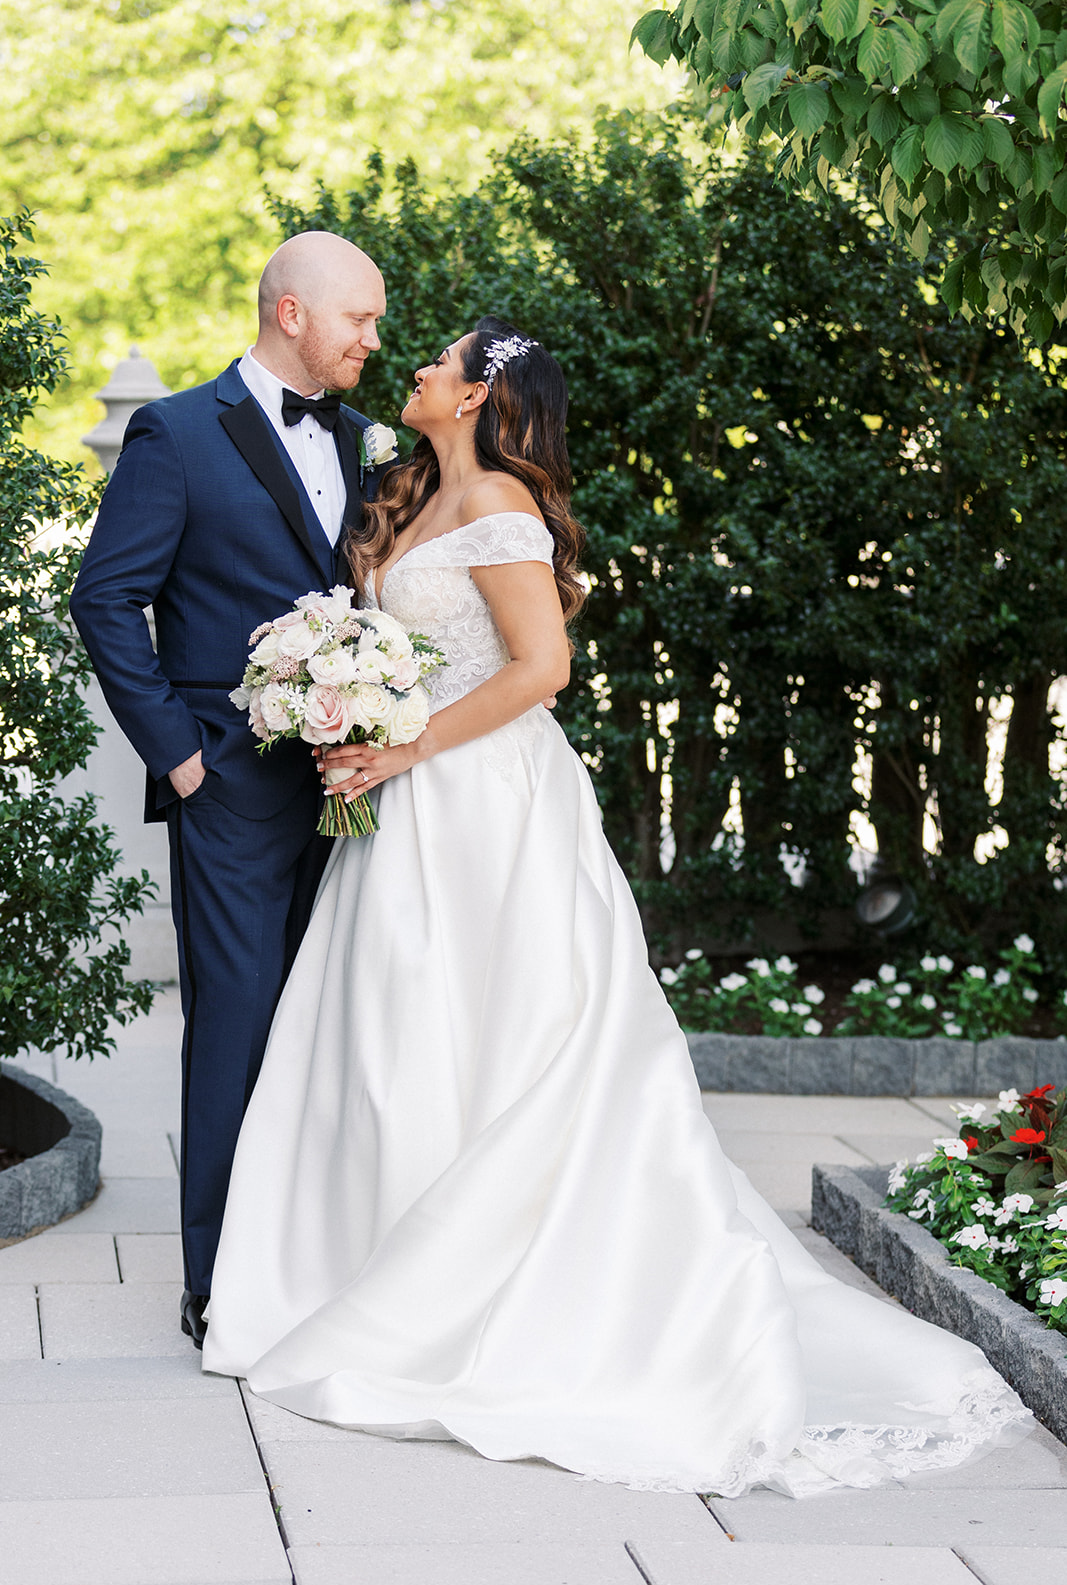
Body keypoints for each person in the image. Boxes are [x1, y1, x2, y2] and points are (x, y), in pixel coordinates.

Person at [202, 317, 1030, 1495]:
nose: (418, 371)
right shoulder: (416, 496)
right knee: (394, 1032)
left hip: (484, 801)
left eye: (439, 361)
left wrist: (404, 745)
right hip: (408, 798)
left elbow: (542, 670)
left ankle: (502, 1290)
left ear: (483, 395)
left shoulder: (500, 509)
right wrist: (347, 713)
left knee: (508, 1033)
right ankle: (370, 1263)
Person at [69, 232, 389, 1349]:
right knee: (237, 1030)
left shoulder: (363, 441)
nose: (373, 338)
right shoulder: (177, 434)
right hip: (232, 790)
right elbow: (106, 599)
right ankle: (217, 1287)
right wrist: (182, 755)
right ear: (290, 312)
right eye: (359, 317)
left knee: (327, 1030)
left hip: (350, 789)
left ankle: (307, 1260)